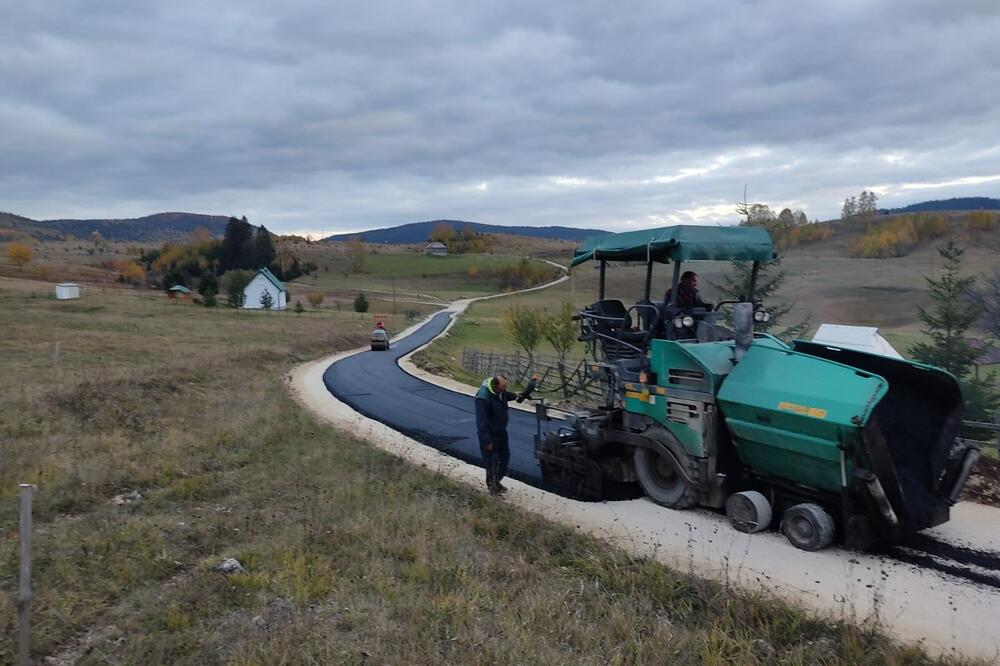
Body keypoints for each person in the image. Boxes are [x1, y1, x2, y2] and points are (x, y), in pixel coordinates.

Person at [474, 373, 538, 495]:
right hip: (490, 434)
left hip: (501, 431)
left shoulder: (500, 392)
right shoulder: (483, 398)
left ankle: (496, 482)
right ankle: (493, 489)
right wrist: (486, 440)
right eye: (504, 386)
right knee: (492, 461)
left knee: (505, 458)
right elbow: (481, 422)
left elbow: (508, 395)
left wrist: (520, 395)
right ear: (496, 386)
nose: (505, 388)